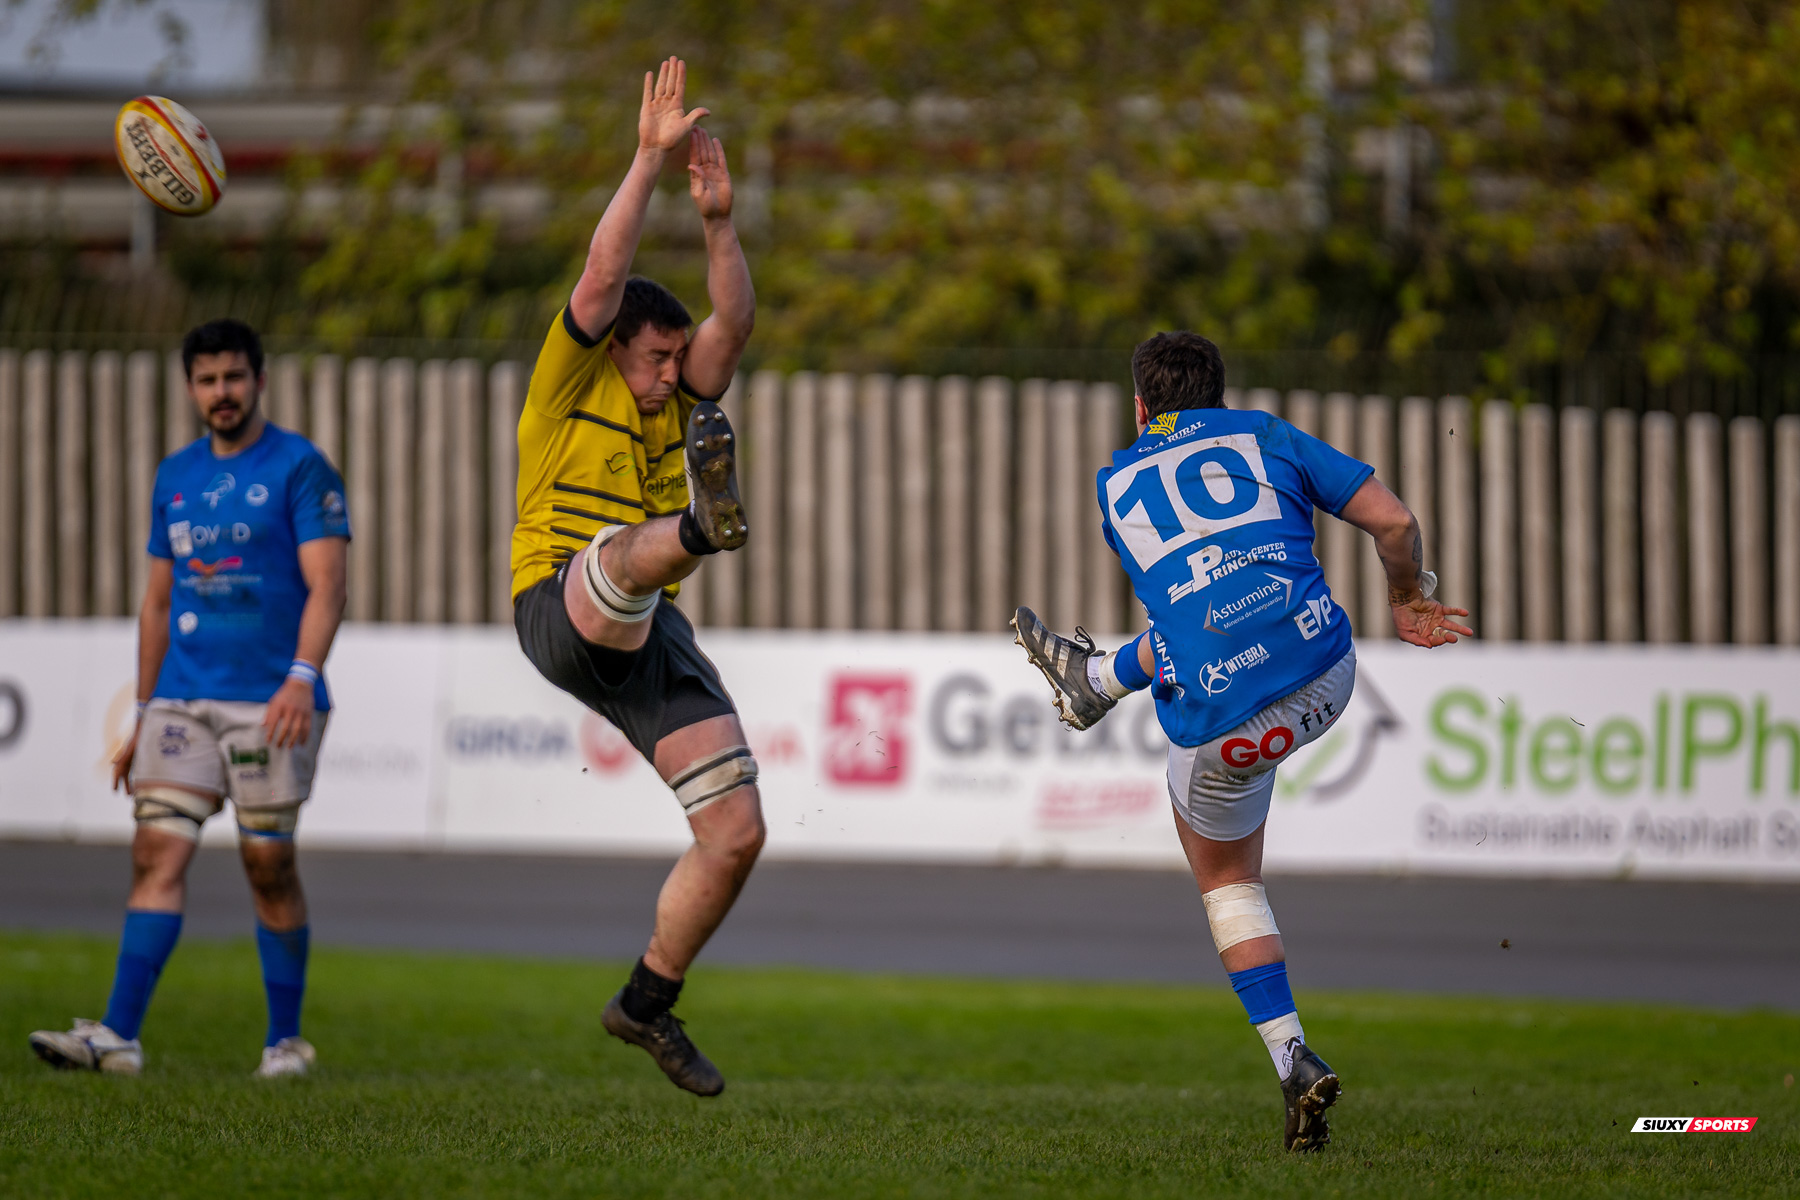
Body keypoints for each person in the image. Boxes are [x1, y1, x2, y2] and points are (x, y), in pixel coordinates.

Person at [1012, 331, 1471, 1152]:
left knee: (1228, 882)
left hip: (1224, 723)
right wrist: (1408, 597)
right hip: (1326, 675)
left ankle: (1290, 1054)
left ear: (1142, 405)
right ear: (1221, 394)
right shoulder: (1263, 436)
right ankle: (1097, 681)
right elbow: (1395, 521)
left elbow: (1184, 603)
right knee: (1211, 625)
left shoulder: (1115, 481)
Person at [509, 57, 758, 1097]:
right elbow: (604, 278)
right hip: (559, 604)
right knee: (624, 558)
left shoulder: (674, 390)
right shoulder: (568, 383)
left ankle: (646, 1002)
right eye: (654, 360)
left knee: (736, 830)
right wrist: (648, 160)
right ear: (610, 351)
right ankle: (702, 526)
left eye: (673, 362)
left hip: (650, 628)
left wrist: (717, 222)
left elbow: (732, 324)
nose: (669, 377)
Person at [29, 318, 351, 1079]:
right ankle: (119, 1036)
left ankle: (285, 1042)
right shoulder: (174, 476)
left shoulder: (301, 466)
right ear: (191, 388)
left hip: (270, 699)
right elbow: (155, 603)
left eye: (233, 377)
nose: (221, 393)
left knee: (266, 863)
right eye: (207, 381)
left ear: (259, 380)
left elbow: (328, 587)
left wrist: (300, 679)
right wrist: (141, 714)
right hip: (181, 697)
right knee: (156, 850)